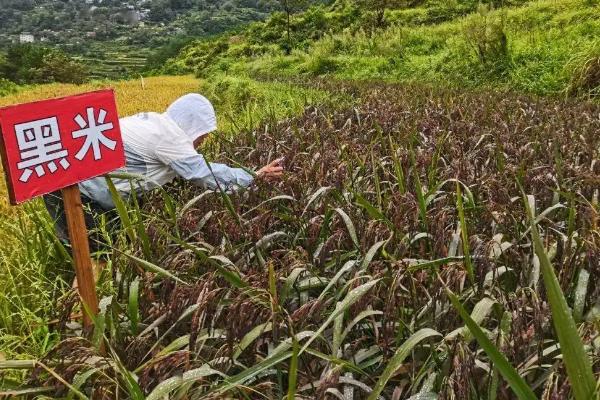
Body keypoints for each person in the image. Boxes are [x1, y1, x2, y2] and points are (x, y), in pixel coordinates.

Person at [44, 93, 283, 279]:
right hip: (79, 196)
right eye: (204, 134)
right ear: (193, 125)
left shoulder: (155, 122)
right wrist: (253, 177)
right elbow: (203, 174)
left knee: (103, 253)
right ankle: (76, 323)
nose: (203, 140)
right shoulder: (170, 137)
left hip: (71, 186)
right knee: (95, 262)